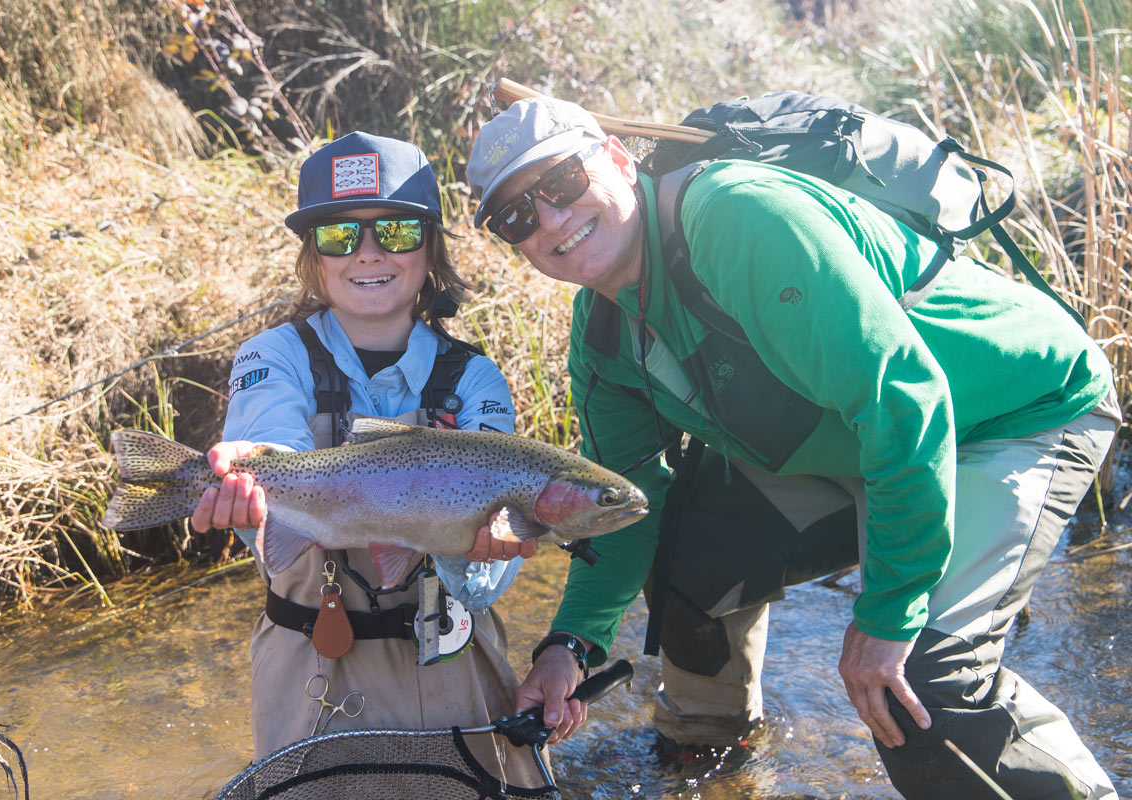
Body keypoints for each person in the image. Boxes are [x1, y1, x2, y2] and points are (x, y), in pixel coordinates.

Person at [464, 95, 1123, 799]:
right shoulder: (600, 334)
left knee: (920, 691)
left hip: (1007, 416)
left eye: (562, 183)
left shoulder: (738, 217)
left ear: (620, 161)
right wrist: (570, 646)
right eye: (517, 216)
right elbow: (628, 505)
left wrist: (888, 611)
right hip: (859, 446)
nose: (552, 220)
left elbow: (905, 400)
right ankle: (711, 763)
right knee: (689, 561)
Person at [190, 131, 547, 789]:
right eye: (340, 236)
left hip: (454, 665)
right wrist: (256, 469)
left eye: (397, 232)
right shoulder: (271, 355)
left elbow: (490, 578)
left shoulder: (475, 380)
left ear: (431, 246)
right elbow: (272, 445)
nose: (370, 254)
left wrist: (477, 551)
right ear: (314, 256)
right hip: (314, 671)